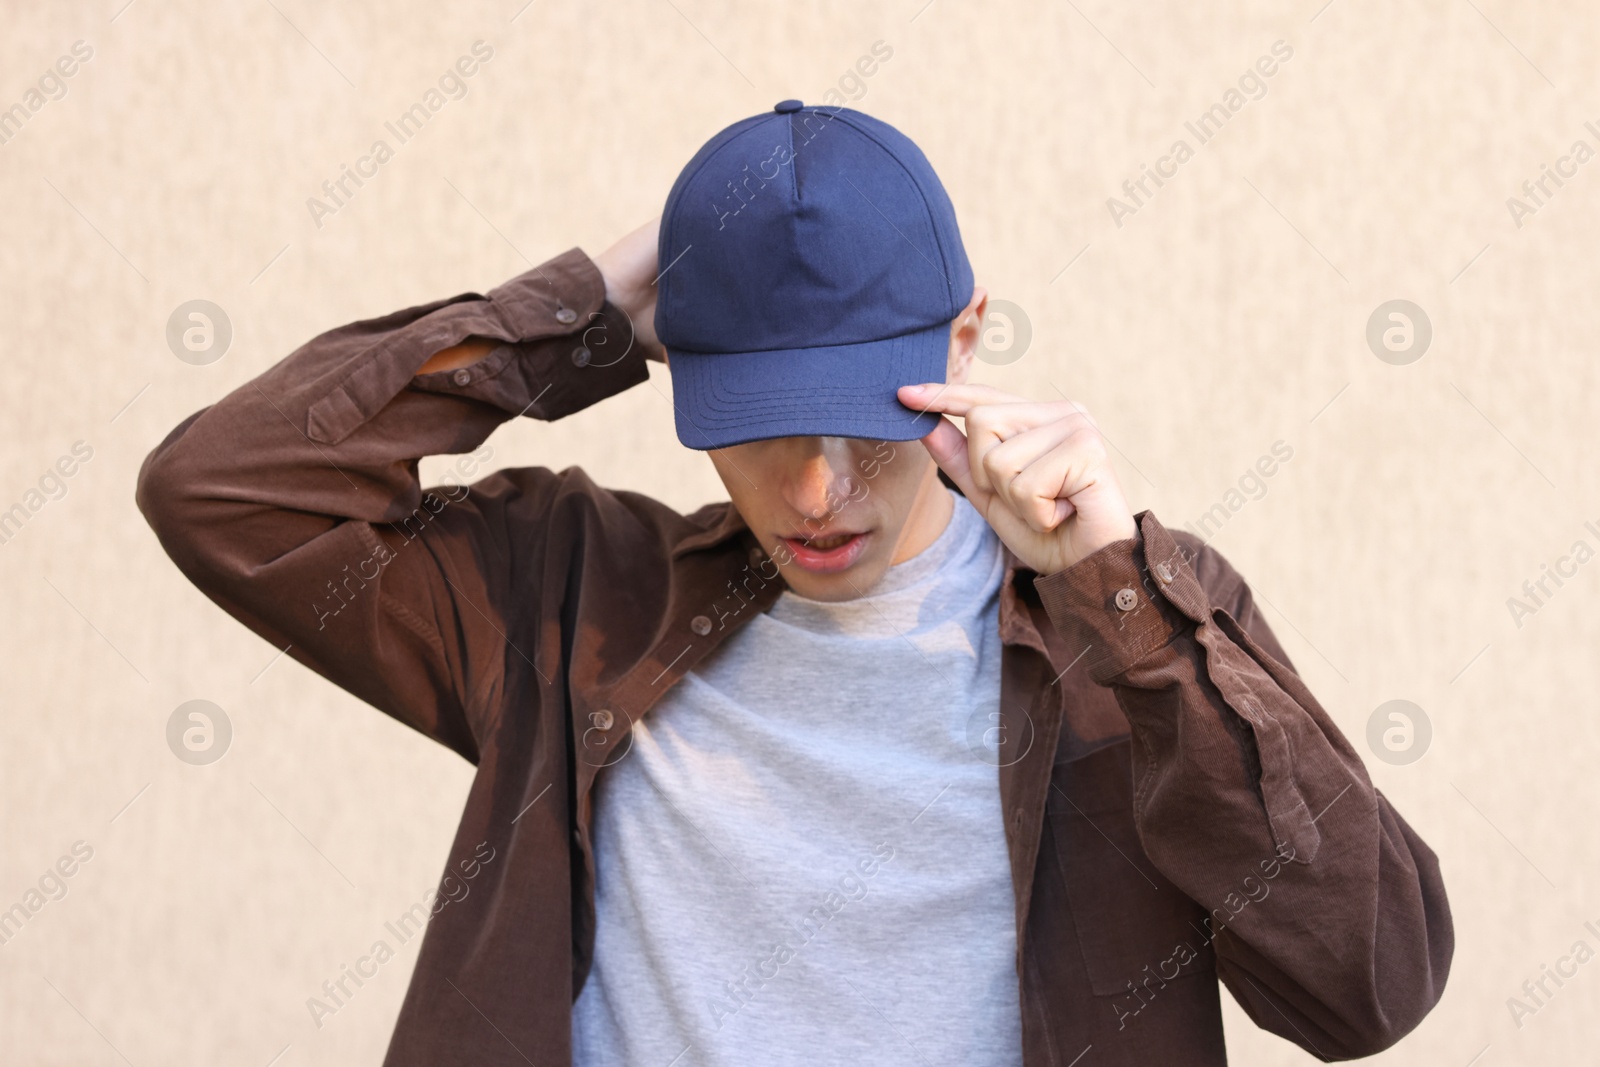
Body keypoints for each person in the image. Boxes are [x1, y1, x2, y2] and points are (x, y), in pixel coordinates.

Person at [137, 101, 1452, 1066]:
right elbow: (225, 488)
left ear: (967, 337)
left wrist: (1120, 597)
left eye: (863, 424)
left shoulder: (1132, 624)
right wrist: (573, 310)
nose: (820, 494)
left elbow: (1369, 987)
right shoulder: (577, 594)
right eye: (764, 421)